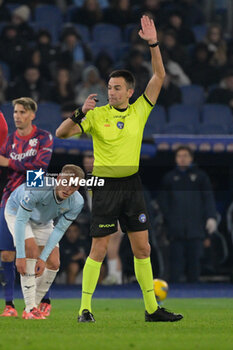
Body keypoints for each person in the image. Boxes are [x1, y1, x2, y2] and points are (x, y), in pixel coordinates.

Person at [56, 15, 183, 323]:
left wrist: (153, 43)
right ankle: (84, 308)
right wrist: (78, 112)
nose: (110, 92)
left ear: (129, 91)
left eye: (116, 88)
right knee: (98, 249)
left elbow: (160, 75)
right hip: (103, 186)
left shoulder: (140, 109)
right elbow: (61, 134)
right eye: (109, 87)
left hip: (131, 185)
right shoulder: (96, 115)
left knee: (143, 248)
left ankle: (152, 310)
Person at [4, 165, 84, 319]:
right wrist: (20, 255)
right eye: (65, 182)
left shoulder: (77, 202)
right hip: (16, 213)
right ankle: (30, 308)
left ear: (78, 187)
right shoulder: (39, 186)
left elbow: (60, 230)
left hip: (43, 221)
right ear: (59, 178)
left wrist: (43, 258)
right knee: (31, 249)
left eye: (73, 185)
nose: (68, 188)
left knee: (54, 263)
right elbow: (21, 220)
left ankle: (33, 306)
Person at [0, 97, 53, 317]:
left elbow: (40, 167)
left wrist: (10, 163)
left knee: (37, 253)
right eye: (15, 112)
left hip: (36, 200)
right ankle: (10, 305)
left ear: (32, 114)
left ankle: (40, 301)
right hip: (10, 200)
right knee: (6, 254)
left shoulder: (43, 137)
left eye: (22, 112)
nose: (17, 116)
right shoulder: (10, 141)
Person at [158, 146, 217, 283]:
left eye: (185, 156)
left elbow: (208, 198)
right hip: (175, 231)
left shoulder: (201, 177)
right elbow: (163, 202)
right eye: (179, 156)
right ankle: (175, 298)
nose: (182, 159)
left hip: (196, 230)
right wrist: (169, 220)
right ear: (175, 159)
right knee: (175, 268)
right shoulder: (170, 178)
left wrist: (211, 217)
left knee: (194, 266)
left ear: (191, 158)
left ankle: (194, 296)